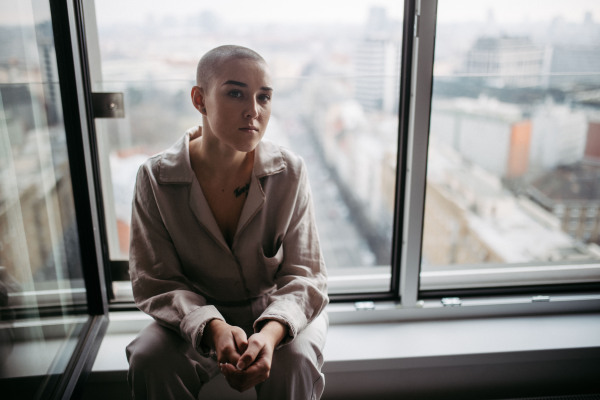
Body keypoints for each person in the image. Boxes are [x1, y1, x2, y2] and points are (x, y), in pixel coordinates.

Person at [125, 45, 329, 400]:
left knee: (294, 360)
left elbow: (306, 275)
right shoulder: (155, 178)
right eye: (236, 93)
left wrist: (271, 332)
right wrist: (212, 327)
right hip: (194, 315)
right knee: (148, 359)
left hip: (277, 311)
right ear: (200, 100)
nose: (254, 110)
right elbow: (155, 281)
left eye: (264, 97)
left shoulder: (290, 172)